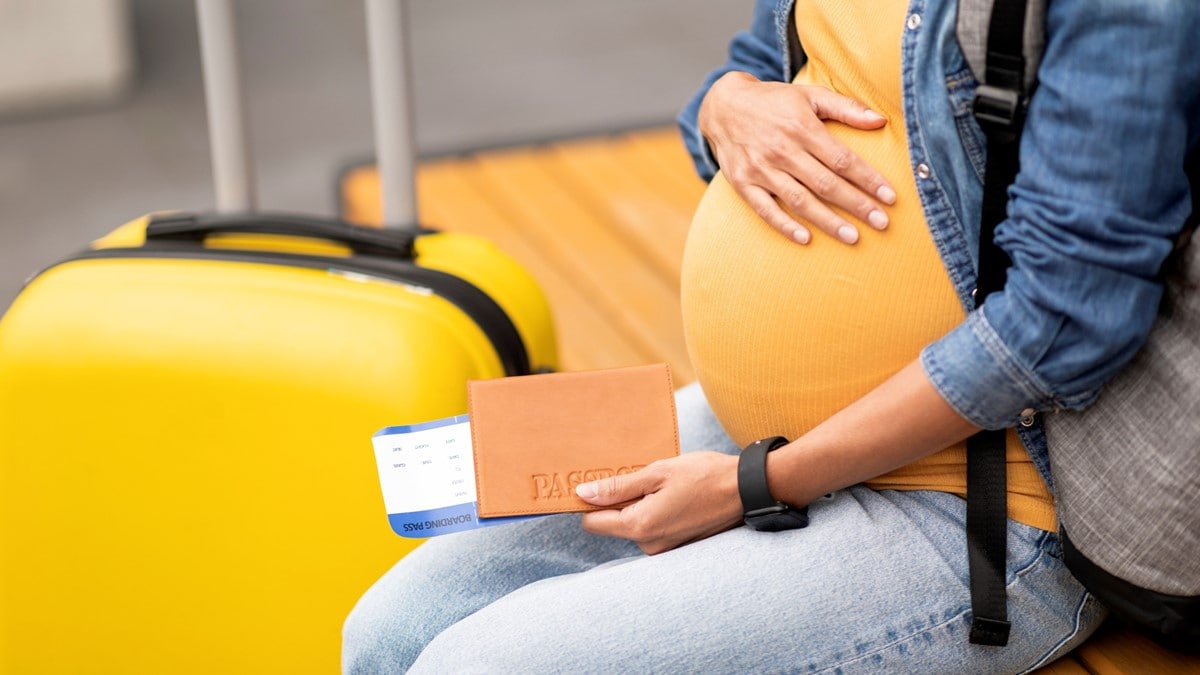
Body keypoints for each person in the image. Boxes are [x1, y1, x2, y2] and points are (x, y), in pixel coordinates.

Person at [342, 0, 1200, 671]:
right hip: (762, 432)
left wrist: (757, 482)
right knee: (388, 630)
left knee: (475, 664)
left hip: (985, 497)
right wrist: (727, 105)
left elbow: (1070, 314)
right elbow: (755, 71)